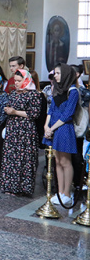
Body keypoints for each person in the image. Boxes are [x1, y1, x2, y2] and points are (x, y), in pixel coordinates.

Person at [0, 70, 42, 196]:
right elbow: (9, 107)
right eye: (15, 81)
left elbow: (34, 114)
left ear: (27, 80)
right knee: (10, 157)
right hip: (12, 128)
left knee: (24, 159)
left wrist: (15, 112)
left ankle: (22, 188)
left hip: (26, 130)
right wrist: (7, 110)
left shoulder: (33, 94)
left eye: (19, 81)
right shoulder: (13, 93)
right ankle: (9, 186)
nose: (16, 83)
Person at [43, 63, 79, 205]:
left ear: (65, 74)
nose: (55, 76)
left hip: (64, 128)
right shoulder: (56, 89)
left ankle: (67, 193)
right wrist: (46, 126)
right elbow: (51, 109)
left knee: (65, 161)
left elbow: (67, 114)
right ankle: (59, 192)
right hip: (53, 127)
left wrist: (52, 128)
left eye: (57, 73)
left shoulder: (73, 91)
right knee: (57, 161)